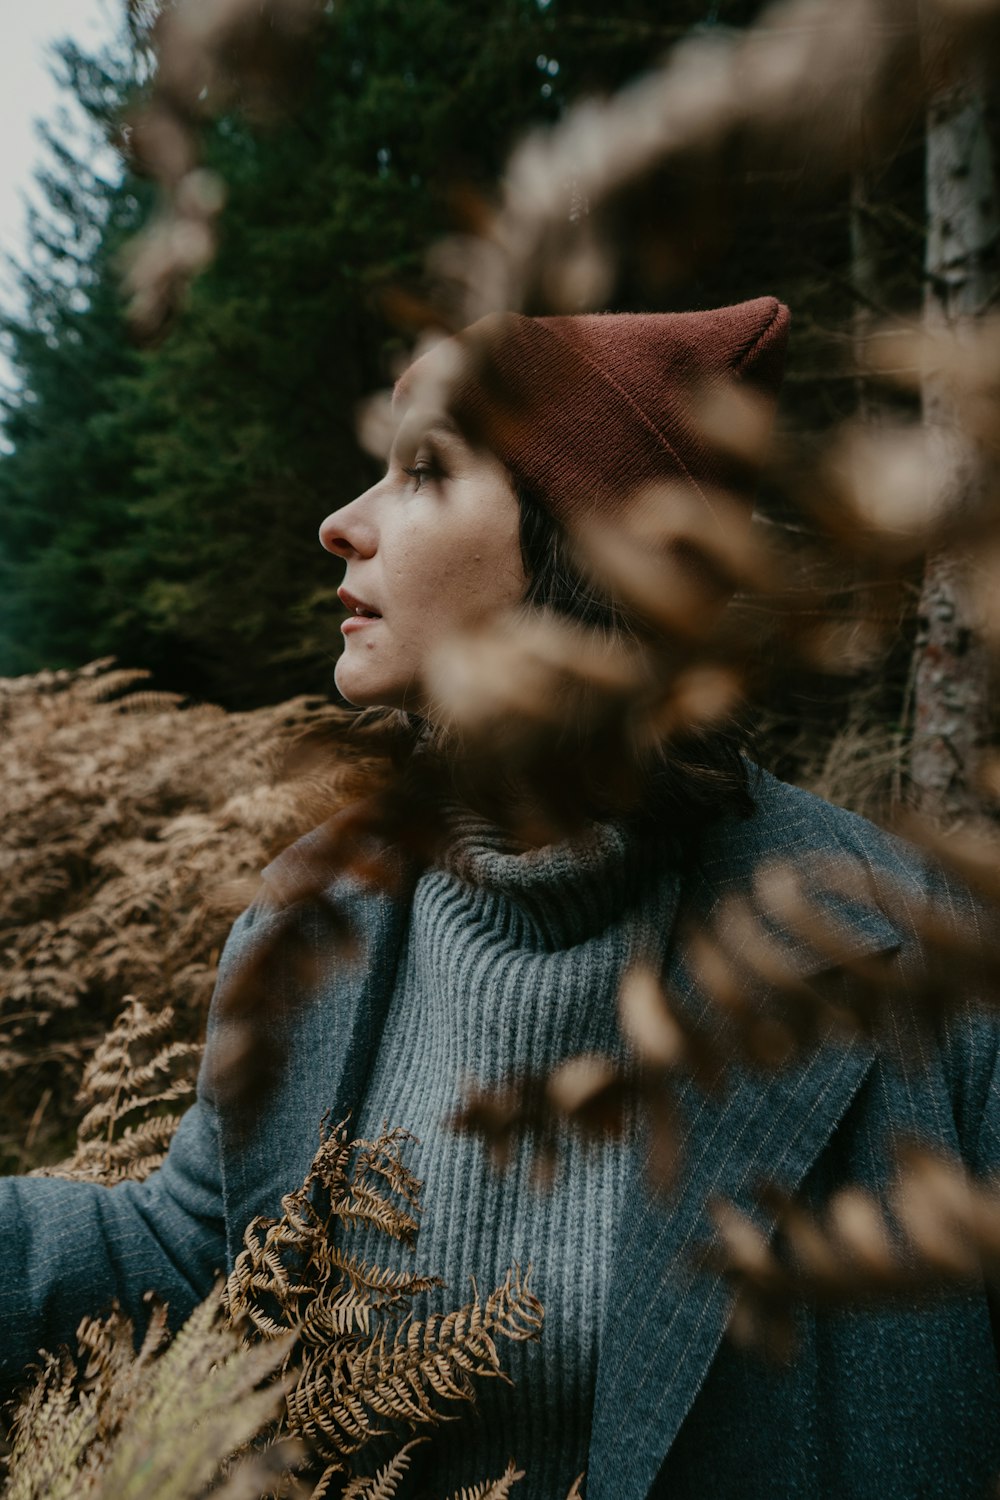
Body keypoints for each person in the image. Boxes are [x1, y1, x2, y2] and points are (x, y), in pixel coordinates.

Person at [3, 297, 1000, 1499]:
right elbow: (201, 1256)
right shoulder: (314, 915)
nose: (340, 523)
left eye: (424, 469)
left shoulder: (916, 954)